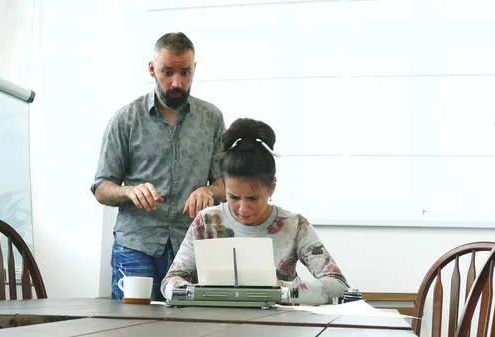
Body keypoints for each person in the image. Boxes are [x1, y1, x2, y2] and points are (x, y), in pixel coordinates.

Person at [91, 32, 226, 301]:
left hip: (191, 248)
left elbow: (227, 184)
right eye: (167, 72)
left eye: (185, 72)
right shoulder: (125, 120)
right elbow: (101, 187)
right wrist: (128, 192)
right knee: (131, 329)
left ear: (194, 69)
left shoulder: (212, 118)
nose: (177, 82)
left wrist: (209, 191)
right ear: (152, 69)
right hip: (134, 247)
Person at [161, 118, 349, 305]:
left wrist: (280, 288)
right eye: (233, 197)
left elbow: (338, 285)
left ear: (271, 187)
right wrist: (204, 292)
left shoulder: (295, 226)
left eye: (252, 198)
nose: (243, 209)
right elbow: (170, 282)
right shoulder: (207, 222)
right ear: (223, 186)